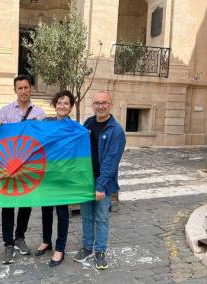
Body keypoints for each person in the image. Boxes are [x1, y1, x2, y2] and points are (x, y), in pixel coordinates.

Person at [73, 90, 126, 270]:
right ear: (93, 105)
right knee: (86, 217)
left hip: (103, 183)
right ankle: (87, 247)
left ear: (110, 105)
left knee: (101, 218)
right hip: (85, 181)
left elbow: (111, 162)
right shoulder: (88, 123)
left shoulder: (116, 131)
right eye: (97, 103)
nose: (100, 106)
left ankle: (100, 251)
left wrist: (101, 186)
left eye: (104, 103)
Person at [0, 75, 45, 264]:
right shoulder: (5, 112)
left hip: (29, 166)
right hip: (9, 165)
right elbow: (1, 139)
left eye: (26, 87)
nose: (23, 91)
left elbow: (41, 138)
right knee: (8, 205)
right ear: (15, 90)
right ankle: (8, 243)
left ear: (30, 89)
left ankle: (20, 237)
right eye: (20, 88)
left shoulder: (40, 113)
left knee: (26, 203)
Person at [35, 90, 73, 267]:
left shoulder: (74, 128)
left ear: (71, 107)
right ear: (55, 105)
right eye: (59, 103)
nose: (62, 106)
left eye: (66, 103)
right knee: (46, 209)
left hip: (63, 178)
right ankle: (46, 240)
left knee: (62, 212)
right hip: (47, 175)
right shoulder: (47, 123)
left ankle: (60, 248)